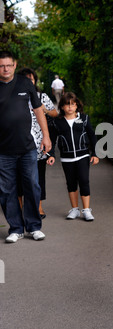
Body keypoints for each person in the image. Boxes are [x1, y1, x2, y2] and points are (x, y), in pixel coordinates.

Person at [0, 50, 51, 243]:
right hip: (3, 151)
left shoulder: (25, 83)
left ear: (14, 65)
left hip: (28, 148)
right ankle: (15, 229)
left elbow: (38, 111)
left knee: (32, 186)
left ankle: (34, 227)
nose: (5, 69)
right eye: (1, 65)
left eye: (8, 65)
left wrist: (46, 136)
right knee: (7, 190)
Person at [47, 92, 99, 221]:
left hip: (83, 156)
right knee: (71, 183)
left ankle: (86, 210)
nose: (70, 107)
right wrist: (51, 155)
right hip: (66, 158)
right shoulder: (57, 122)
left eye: (73, 104)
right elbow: (52, 140)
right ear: (62, 107)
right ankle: (74, 209)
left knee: (84, 182)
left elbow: (92, 136)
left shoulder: (84, 118)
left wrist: (96, 154)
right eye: (67, 104)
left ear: (77, 106)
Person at [18, 68, 58, 218]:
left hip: (39, 141)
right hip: (19, 142)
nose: (29, 82)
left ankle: (39, 207)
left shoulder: (41, 96)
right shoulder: (14, 96)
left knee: (38, 176)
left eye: (32, 79)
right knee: (18, 177)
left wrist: (44, 110)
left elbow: (54, 113)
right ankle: (20, 208)